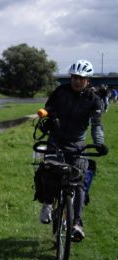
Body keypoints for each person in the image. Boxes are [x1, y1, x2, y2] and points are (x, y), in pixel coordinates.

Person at [39, 59, 107, 242]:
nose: (77, 81)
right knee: (47, 170)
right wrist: (48, 117)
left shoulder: (94, 100)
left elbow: (96, 125)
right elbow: (48, 108)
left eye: (81, 78)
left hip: (77, 144)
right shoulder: (60, 92)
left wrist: (99, 143)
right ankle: (46, 203)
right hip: (55, 140)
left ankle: (76, 223)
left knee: (78, 183)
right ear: (71, 77)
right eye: (75, 77)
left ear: (88, 81)